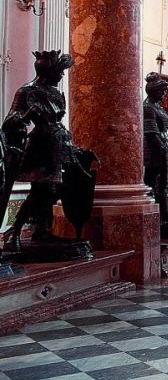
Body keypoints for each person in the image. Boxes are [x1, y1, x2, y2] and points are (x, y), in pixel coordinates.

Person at [1, 51, 95, 252]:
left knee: (57, 190)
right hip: (42, 144)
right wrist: (27, 114)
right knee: (41, 190)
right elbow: (10, 121)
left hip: (59, 142)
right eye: (60, 72)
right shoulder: (27, 91)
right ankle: (15, 230)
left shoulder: (54, 92)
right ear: (48, 71)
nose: (62, 76)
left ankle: (41, 229)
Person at [143, 72, 168, 228]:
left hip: (164, 146)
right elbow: (151, 132)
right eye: (160, 91)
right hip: (155, 151)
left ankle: (166, 215)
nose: (163, 94)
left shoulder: (157, 107)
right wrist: (163, 150)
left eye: (164, 91)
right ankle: (160, 216)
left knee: (164, 184)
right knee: (154, 184)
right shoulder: (148, 107)